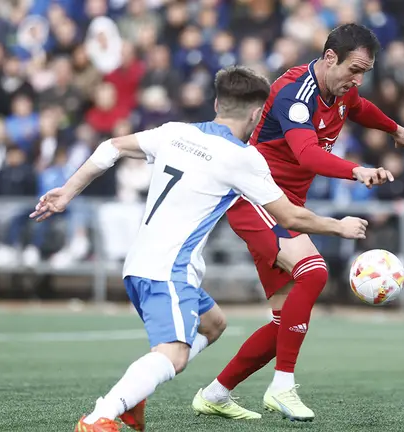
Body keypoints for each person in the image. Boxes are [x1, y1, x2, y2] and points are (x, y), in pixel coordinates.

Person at [29, 66, 370, 432]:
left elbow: (109, 147)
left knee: (213, 324)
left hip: (139, 263)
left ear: (216, 102)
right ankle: (100, 417)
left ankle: (135, 396)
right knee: (174, 355)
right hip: (169, 271)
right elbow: (290, 216)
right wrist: (339, 226)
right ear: (257, 115)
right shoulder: (243, 158)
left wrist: (67, 191)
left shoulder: (175, 132)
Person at [194, 23, 404, 422]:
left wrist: (394, 128)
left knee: (285, 321)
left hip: (284, 202)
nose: (358, 80)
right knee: (313, 272)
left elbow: (359, 107)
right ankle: (282, 387)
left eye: (365, 71)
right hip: (255, 196)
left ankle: (215, 393)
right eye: (354, 69)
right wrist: (357, 170)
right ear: (330, 58)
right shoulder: (295, 95)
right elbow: (308, 156)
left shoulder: (341, 90)